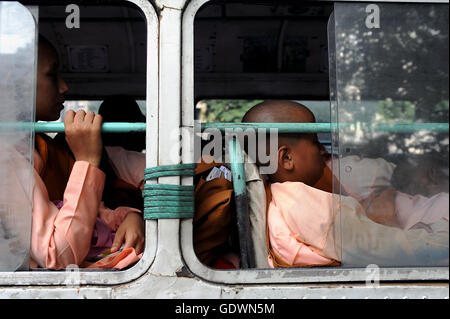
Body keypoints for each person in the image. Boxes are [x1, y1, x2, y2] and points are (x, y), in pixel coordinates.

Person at [242, 100, 449, 268]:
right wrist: (434, 234)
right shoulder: (309, 206)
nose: (323, 151)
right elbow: (390, 250)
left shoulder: (281, 199)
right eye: (315, 142)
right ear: (286, 158)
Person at [27, 35, 145, 269]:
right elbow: (58, 257)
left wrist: (132, 216)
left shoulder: (44, 147)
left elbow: (94, 212)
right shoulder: (11, 155)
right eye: (52, 74)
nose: (64, 86)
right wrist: (88, 160)